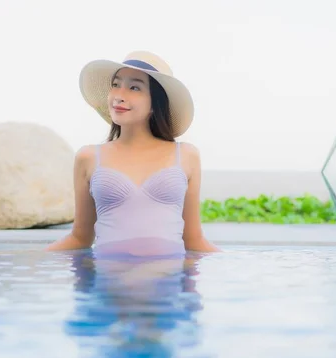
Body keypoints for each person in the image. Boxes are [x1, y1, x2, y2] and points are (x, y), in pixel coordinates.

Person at [45, 51, 219, 257]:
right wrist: (29, 258)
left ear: (155, 103)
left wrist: (235, 263)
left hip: (168, 284)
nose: (119, 95)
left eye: (134, 87)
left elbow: (194, 241)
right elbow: (80, 238)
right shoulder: (89, 157)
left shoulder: (186, 155)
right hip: (108, 283)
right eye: (116, 84)